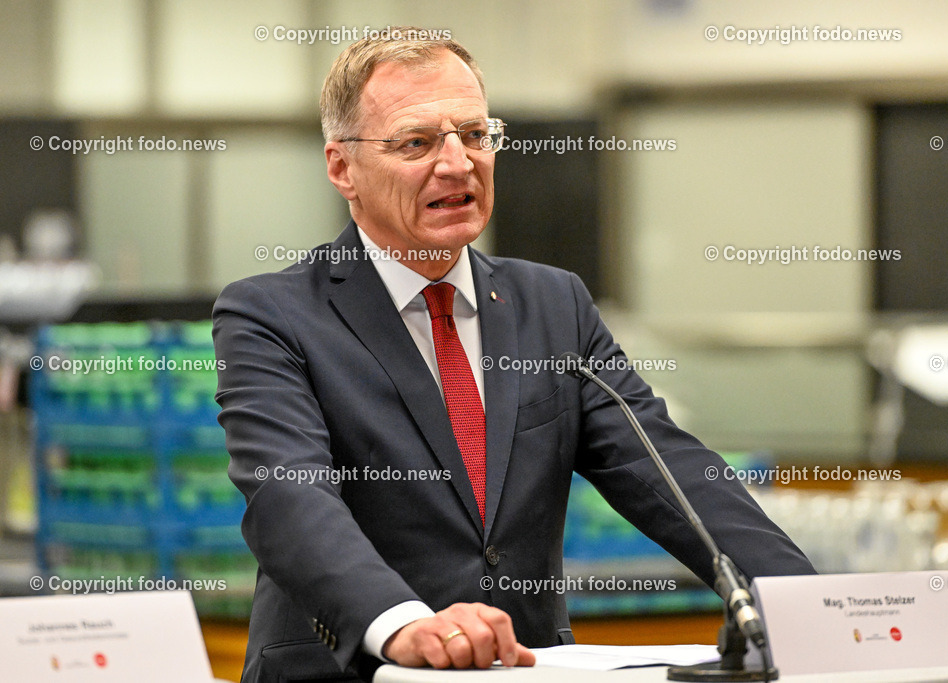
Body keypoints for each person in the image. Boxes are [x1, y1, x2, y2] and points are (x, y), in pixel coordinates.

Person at [212, 27, 815, 683]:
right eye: (417, 142)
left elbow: (668, 469)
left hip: (525, 669)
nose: (457, 163)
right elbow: (289, 498)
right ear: (341, 167)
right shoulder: (270, 315)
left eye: (474, 135)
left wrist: (805, 604)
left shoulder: (553, 303)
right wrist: (402, 622)